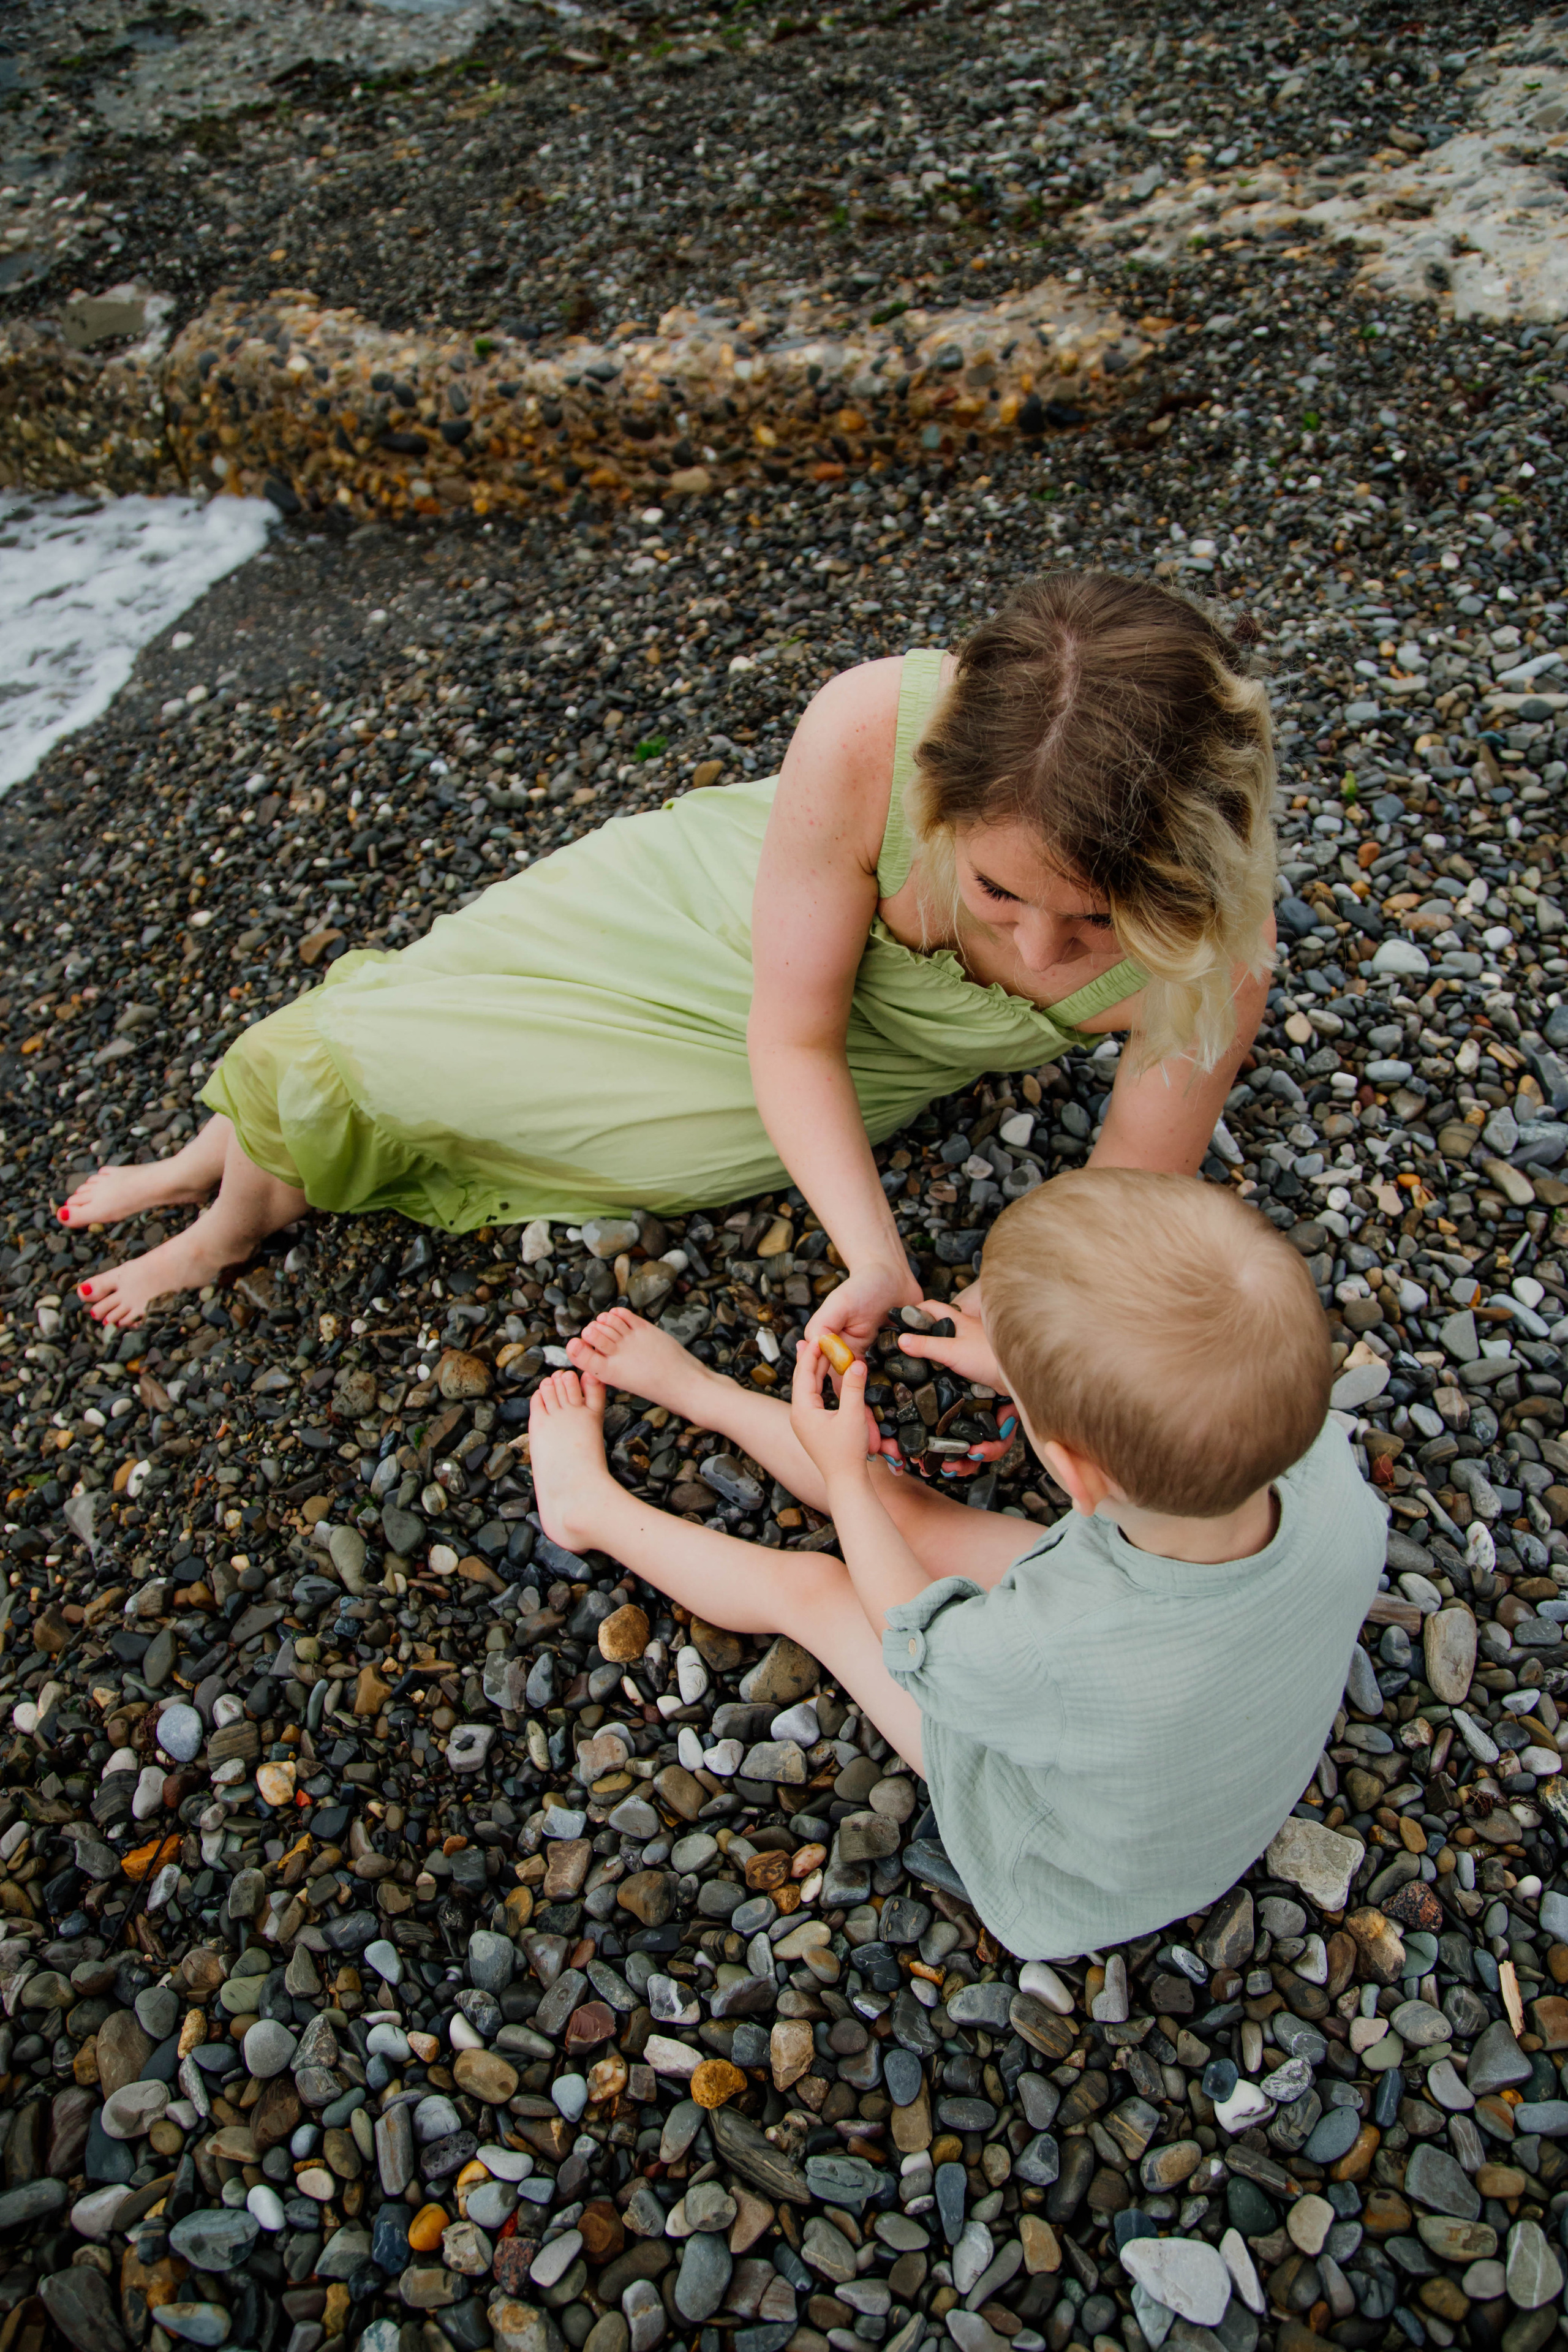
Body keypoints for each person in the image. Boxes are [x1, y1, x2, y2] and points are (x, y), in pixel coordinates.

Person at [61, 571, 1278, 1330]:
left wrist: (980, 1306)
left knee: (357, 1059)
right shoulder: (871, 729)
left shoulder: (1208, 961)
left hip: (831, 1066)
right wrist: (874, 1250)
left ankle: (233, 1210)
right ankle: (210, 1175)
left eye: (1090, 926)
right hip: (725, 921)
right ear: (941, 802)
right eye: (999, 890)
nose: (1032, 943)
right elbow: (788, 1024)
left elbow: (1117, 1209)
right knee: (428, 991)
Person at [527, 1168, 1385, 1958]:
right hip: (1196, 1703)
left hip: (1071, 1862)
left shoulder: (1054, 1645)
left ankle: (587, 1507)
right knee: (913, 1514)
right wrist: (1023, 1366)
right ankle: (707, 1396)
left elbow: (919, 1634)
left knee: (822, 1580)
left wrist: (843, 1479)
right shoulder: (1325, 1480)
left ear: (1077, 1471)